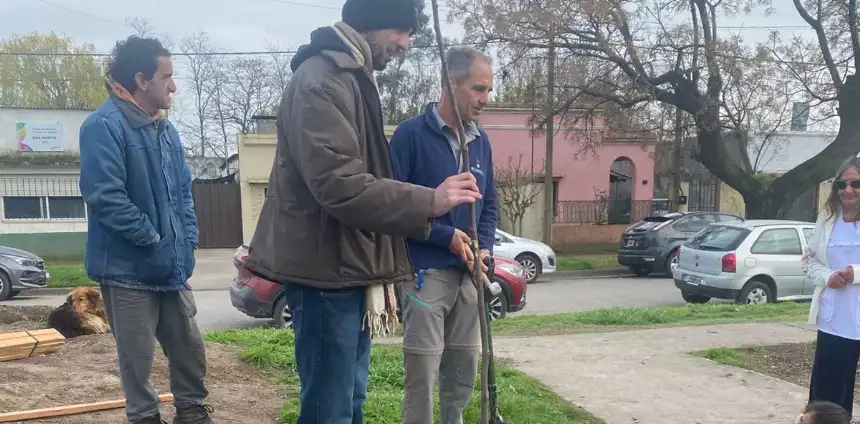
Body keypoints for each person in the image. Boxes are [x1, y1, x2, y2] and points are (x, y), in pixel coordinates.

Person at [242, 0, 483, 423]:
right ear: (375, 23)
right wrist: (431, 201)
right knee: (328, 409)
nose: (406, 44)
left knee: (348, 401)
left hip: (346, 269)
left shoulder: (349, 77)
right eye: (402, 32)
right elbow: (341, 185)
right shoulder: (321, 81)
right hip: (324, 274)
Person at [78, 36, 212, 424]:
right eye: (166, 77)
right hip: (127, 273)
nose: (173, 86)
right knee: (137, 364)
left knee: (190, 351)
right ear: (141, 79)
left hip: (171, 268)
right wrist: (153, 240)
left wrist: (186, 242)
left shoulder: (166, 132)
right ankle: (145, 419)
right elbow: (105, 197)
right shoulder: (103, 126)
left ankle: (193, 415)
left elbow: (184, 195)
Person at [389, 46, 497, 424]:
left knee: (465, 369)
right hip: (425, 275)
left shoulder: (480, 141)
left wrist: (483, 251)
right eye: (478, 89)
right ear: (451, 83)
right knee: (422, 375)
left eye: (488, 90)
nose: (486, 99)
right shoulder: (409, 136)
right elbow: (393, 208)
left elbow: (489, 208)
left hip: (468, 277)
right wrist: (444, 236)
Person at [803, 154, 860, 417]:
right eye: (841, 184)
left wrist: (855, 273)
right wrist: (827, 277)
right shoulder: (826, 219)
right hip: (834, 322)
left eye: (856, 184)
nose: (848, 190)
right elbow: (808, 261)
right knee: (828, 396)